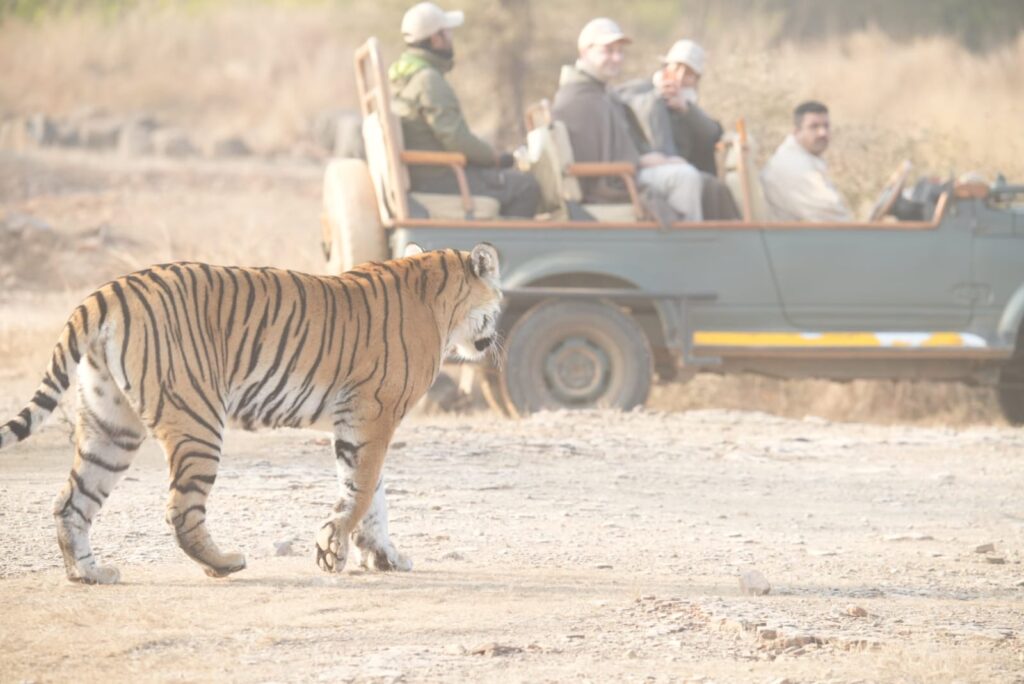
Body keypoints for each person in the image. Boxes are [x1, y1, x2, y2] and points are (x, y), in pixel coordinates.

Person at [389, 2, 540, 217]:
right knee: (526, 187)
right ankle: (505, 250)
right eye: (447, 32)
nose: (451, 38)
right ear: (435, 39)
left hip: (427, 174)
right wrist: (495, 158)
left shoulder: (403, 78)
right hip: (442, 178)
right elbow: (456, 139)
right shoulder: (428, 80)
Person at [551, 18, 703, 222]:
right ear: (585, 51)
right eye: (608, 50)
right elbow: (597, 163)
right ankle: (688, 251)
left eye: (620, 51)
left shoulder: (600, 90)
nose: (616, 58)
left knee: (685, 171)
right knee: (685, 177)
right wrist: (642, 162)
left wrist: (657, 159)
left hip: (625, 170)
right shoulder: (578, 97)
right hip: (611, 182)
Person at [618, 39, 739, 219]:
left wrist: (686, 110)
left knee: (715, 189)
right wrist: (655, 97)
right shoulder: (640, 89)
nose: (680, 77)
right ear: (665, 67)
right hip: (646, 167)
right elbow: (619, 102)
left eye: (688, 73)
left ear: (696, 80)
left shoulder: (689, 107)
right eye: (676, 68)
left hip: (682, 170)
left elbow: (712, 133)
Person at [760, 100, 853, 222]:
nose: (822, 133)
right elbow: (831, 216)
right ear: (796, 131)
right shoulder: (792, 164)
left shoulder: (803, 158)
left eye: (826, 126)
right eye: (814, 127)